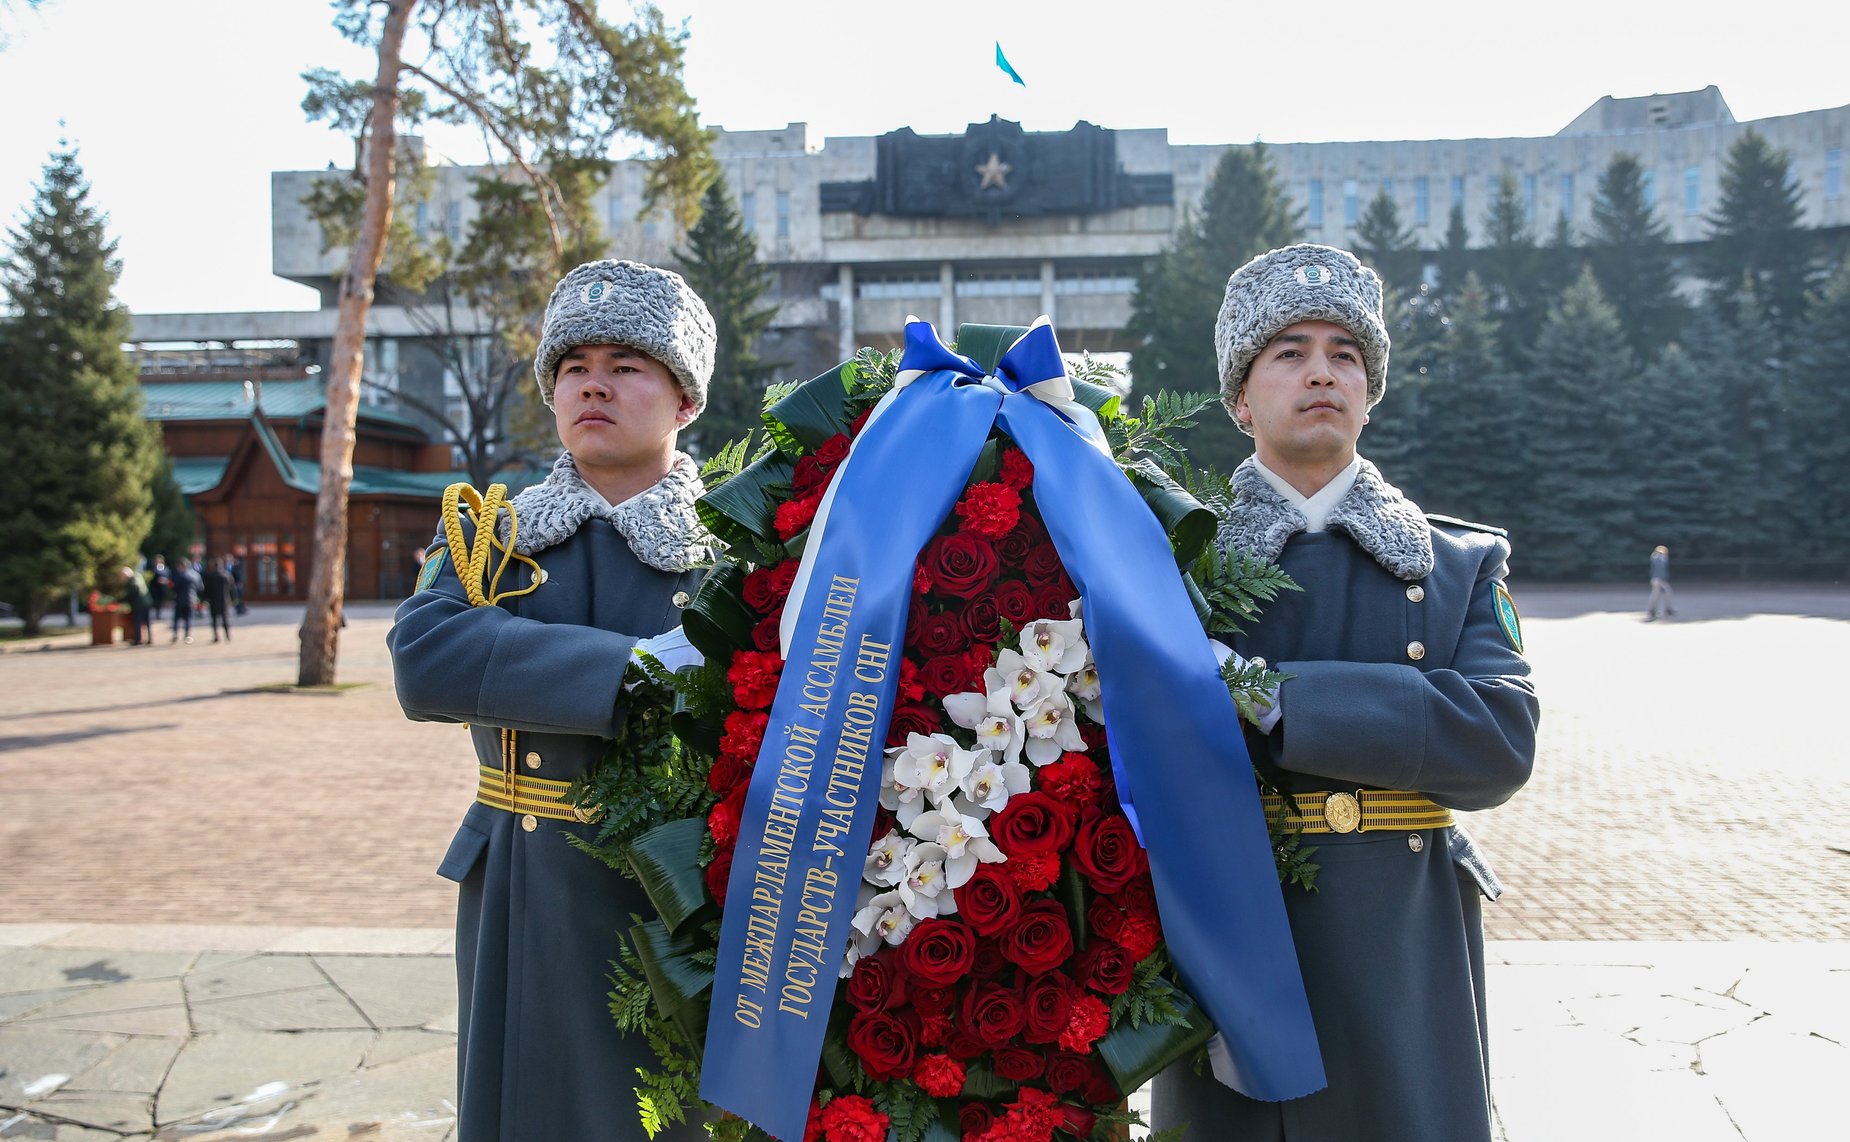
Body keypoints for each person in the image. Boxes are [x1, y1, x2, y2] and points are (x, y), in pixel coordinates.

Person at [1151, 244, 1541, 1142]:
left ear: (1371, 390)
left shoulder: (1459, 565)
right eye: (1288, 352)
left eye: (1345, 354)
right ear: (1241, 398)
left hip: (1403, 955)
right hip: (1236, 955)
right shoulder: (1177, 566)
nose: (1321, 372)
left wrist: (1264, 694)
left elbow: (1498, 743)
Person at [386, 260, 716, 1142]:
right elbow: (423, 661)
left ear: (685, 401)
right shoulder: (489, 533)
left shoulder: (733, 547)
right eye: (574, 367)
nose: (594, 384)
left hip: (678, 888)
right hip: (525, 882)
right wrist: (637, 667)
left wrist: (524, 659)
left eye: (627, 365)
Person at [168, 557, 201, 644]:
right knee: (188, 618)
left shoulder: (180, 576)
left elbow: (174, 587)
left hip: (180, 599)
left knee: (177, 618)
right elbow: (201, 588)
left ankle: (175, 634)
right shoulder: (196, 575)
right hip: (192, 599)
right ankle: (188, 635)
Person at [202, 557, 233, 642]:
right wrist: (231, 599)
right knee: (225, 619)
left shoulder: (209, 576)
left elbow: (206, 589)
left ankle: (216, 637)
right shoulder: (226, 575)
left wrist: (205, 599)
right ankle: (227, 636)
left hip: (213, 600)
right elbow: (231, 587)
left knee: (214, 620)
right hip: (224, 600)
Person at [120, 566, 152, 646]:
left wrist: (122, 600)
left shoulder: (132, 581)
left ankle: (137, 640)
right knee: (147, 622)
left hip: (139, 604)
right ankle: (149, 639)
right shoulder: (138, 577)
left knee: (137, 622)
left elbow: (133, 592)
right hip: (147, 602)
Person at [1646, 544, 1675, 620]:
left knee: (1656, 595)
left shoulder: (1662, 559)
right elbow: (1658, 568)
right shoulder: (1656, 558)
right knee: (1666, 592)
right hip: (1657, 579)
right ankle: (1666, 609)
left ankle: (1653, 610)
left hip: (1659, 579)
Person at [148, 555, 170, 620]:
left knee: (161, 602)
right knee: (155, 602)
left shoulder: (166, 569)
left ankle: (159, 614)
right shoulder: (153, 569)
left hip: (163, 589)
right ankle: (156, 614)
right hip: (155, 589)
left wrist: (165, 581)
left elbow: (169, 577)